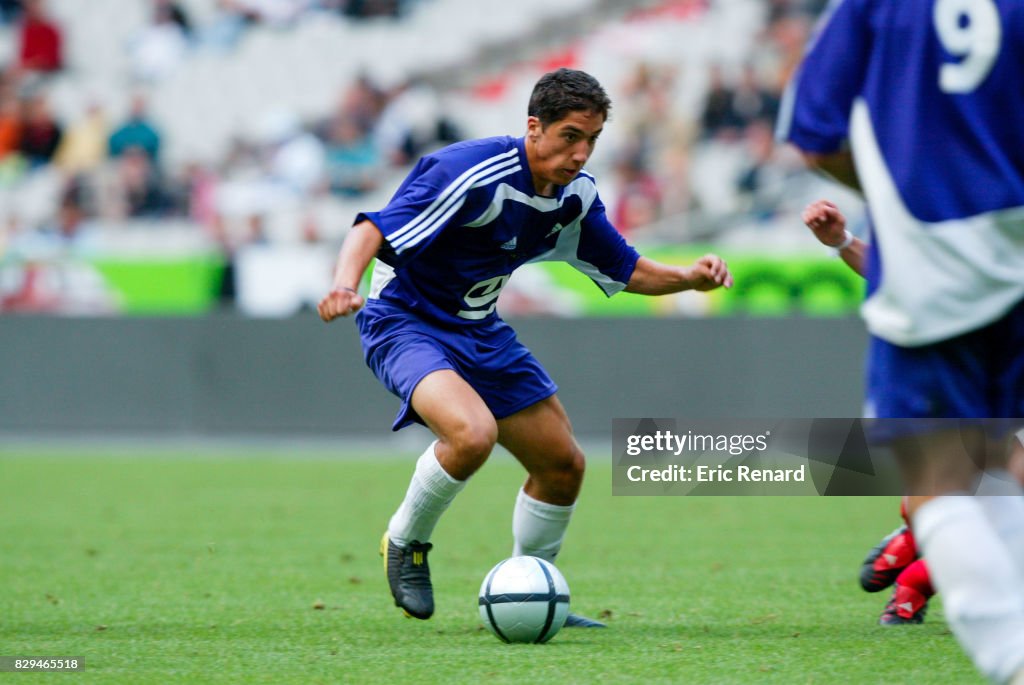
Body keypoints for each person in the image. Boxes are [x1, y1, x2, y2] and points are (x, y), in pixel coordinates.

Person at [318, 68, 733, 625]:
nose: (581, 153)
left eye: (592, 141)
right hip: (405, 322)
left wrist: (688, 278)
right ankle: (405, 542)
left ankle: (534, 591)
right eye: (570, 137)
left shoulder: (573, 198)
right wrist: (345, 284)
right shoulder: (470, 170)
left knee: (563, 465)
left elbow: (625, 268)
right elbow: (371, 228)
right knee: (472, 435)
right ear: (534, 128)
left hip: (479, 330)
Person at [780, 2, 1024, 682]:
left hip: (934, 263)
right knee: (995, 460)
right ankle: (918, 566)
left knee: (939, 472)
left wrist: (891, 203)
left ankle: (1002, 648)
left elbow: (815, 130)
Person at [804, 199, 1024, 628]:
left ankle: (919, 568)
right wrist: (844, 242)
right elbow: (909, 279)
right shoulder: (982, 219)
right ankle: (923, 548)